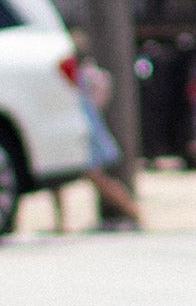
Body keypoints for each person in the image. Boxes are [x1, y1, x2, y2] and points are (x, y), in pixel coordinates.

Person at [54, 33, 143, 230]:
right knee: (57, 176)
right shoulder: (78, 73)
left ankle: (133, 210)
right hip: (74, 126)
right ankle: (60, 223)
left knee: (96, 176)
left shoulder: (79, 74)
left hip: (84, 129)